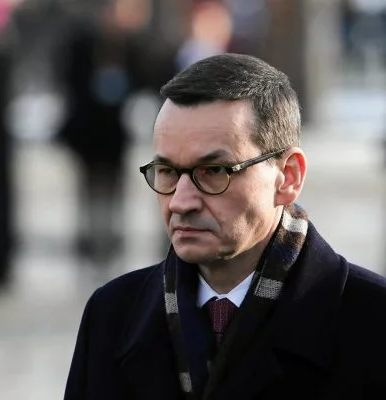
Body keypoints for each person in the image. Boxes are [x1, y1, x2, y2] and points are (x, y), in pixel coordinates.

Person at [64, 53, 386, 399]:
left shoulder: (373, 322)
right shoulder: (111, 316)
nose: (180, 201)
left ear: (288, 176)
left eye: (214, 171)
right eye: (167, 171)